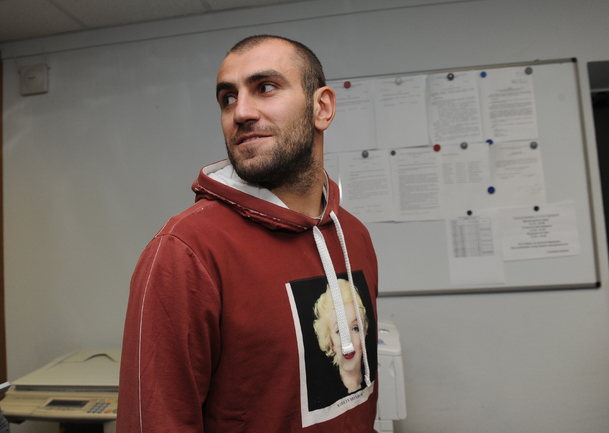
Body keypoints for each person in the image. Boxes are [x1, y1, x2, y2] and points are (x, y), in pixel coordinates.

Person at [117, 34, 379, 433]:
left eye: (265, 88)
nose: (240, 112)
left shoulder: (354, 236)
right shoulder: (185, 251)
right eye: (228, 98)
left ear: (322, 108)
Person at [314, 279, 369, 394]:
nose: (347, 340)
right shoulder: (323, 391)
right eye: (339, 331)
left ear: (363, 332)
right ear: (331, 341)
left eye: (355, 328)